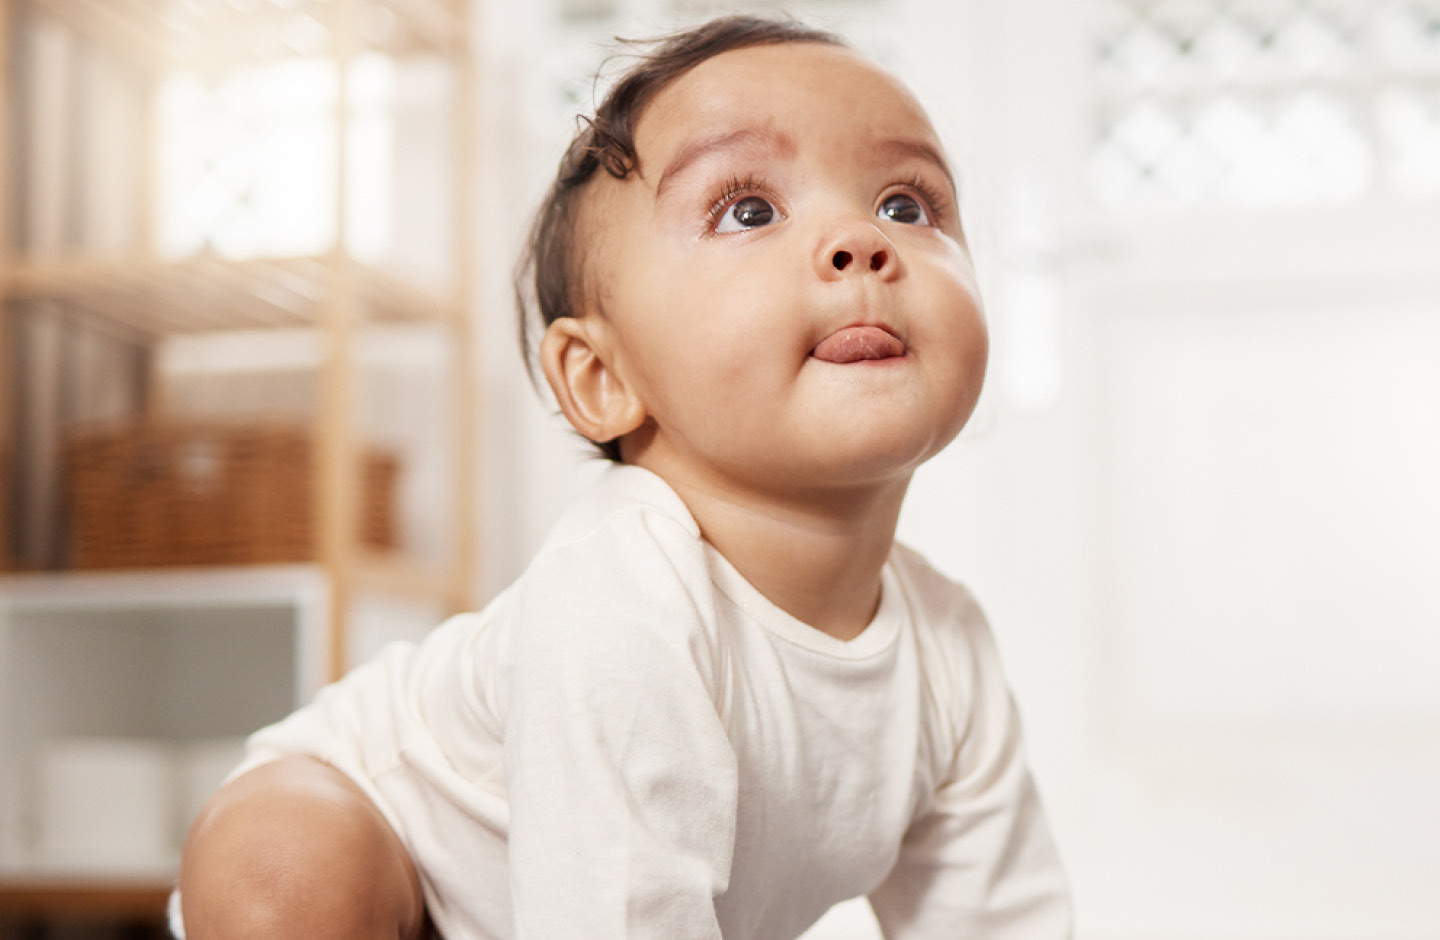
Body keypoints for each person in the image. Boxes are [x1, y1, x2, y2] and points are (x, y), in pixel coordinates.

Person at [177, 15, 1072, 940]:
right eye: (750, 211)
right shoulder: (623, 593)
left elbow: (999, 919)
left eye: (906, 205)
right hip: (376, 826)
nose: (860, 241)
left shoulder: (950, 650)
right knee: (284, 875)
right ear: (606, 379)